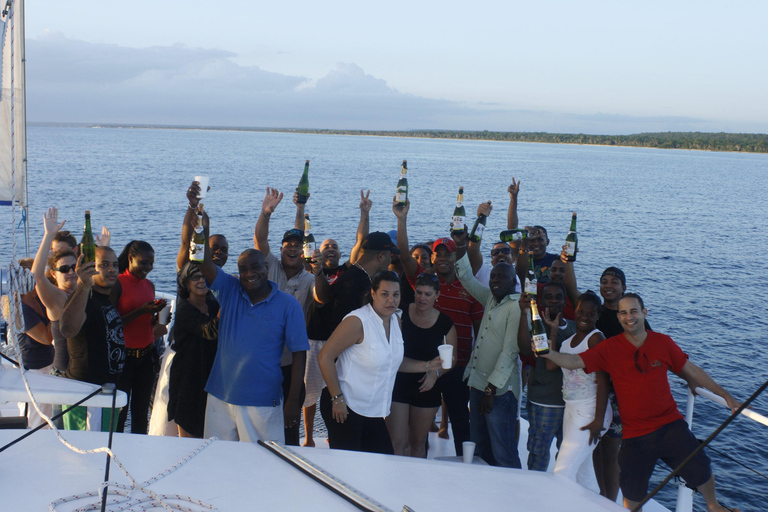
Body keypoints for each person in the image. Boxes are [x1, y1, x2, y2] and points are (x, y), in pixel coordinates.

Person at [541, 293, 741, 512]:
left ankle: (714, 506)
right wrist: (548, 353)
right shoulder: (609, 347)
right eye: (624, 312)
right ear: (618, 317)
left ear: (644, 313)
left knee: (700, 466)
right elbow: (575, 361)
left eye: (634, 311)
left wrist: (726, 395)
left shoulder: (662, 342)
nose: (630, 317)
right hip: (635, 434)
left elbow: (691, 369)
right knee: (631, 490)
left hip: (669, 424)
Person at [196, 212, 308, 444]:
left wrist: (293, 401)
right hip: (220, 397)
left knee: (263, 467)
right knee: (217, 462)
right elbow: (203, 263)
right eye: (243, 269)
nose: (249, 274)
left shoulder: (288, 304)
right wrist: (203, 230)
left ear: (266, 267)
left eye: (255, 267)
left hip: (263, 402)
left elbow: (299, 354)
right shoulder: (230, 289)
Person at [393, 198, 483, 457]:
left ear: (456, 257)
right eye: (438, 253)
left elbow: (479, 331)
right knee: (417, 431)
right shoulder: (423, 284)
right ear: (431, 257)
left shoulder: (470, 288)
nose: (442, 258)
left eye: (448, 253)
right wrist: (402, 219)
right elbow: (402, 252)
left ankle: (463, 468)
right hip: (421, 367)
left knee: (459, 420)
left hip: (456, 367)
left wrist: (472, 367)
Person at [317, 271, 442, 454]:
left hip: (374, 411)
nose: (391, 300)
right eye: (385, 294)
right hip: (345, 407)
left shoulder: (396, 320)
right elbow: (325, 357)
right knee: (348, 470)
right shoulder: (358, 321)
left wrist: (428, 366)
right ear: (373, 294)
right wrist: (337, 399)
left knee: (382, 462)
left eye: (396, 294)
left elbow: (393, 362)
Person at [301, 189, 371, 447]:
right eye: (325, 246)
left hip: (341, 341)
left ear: (341, 254)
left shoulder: (349, 271)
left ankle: (334, 433)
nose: (330, 249)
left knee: (337, 389)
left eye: (334, 247)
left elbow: (361, 242)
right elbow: (300, 238)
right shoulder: (309, 271)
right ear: (317, 253)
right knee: (309, 394)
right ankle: (308, 436)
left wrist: (364, 213)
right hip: (313, 338)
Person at [452, 238, 522, 468]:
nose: (496, 280)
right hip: (478, 384)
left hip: (500, 390)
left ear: (514, 283)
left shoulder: (516, 306)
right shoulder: (491, 298)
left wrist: (491, 390)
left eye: (502, 277)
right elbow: (466, 278)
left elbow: (510, 351)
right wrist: (461, 247)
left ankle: (513, 497)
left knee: (503, 451)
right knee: (480, 446)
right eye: (493, 276)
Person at [254, 187, 316, 445]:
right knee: (259, 420)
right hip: (264, 358)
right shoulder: (271, 267)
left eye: (297, 246)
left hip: (293, 361)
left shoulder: (312, 279)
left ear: (304, 251)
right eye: (287, 245)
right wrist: (266, 213)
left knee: (289, 424)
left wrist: (300, 210)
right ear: (281, 249)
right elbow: (260, 241)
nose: (292, 249)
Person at [387, 273, 457, 457]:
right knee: (397, 443)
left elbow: (452, 360)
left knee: (418, 443)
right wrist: (428, 366)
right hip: (398, 384)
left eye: (427, 294)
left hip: (428, 387)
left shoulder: (445, 324)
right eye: (419, 293)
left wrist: (436, 374)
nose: (422, 298)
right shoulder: (400, 314)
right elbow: (391, 355)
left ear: (437, 296)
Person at [547, 292, 610, 491]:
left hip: (590, 411)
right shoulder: (568, 342)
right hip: (572, 409)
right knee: (584, 473)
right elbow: (550, 365)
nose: (585, 316)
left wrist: (598, 420)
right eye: (581, 312)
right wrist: (554, 331)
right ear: (575, 311)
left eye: (591, 314)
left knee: (562, 472)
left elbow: (603, 381)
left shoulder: (596, 339)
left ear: (597, 316)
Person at [59, 246, 125, 431]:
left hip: (104, 393)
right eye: (103, 265)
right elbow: (67, 329)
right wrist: (84, 284)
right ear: (88, 268)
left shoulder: (104, 298)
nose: (111, 269)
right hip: (86, 396)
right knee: (85, 455)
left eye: (114, 264)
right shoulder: (84, 296)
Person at [517, 281, 576, 471]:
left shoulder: (575, 327)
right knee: (538, 455)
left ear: (565, 301)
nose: (553, 301)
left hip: (570, 405)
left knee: (565, 458)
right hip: (544, 403)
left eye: (558, 297)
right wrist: (524, 313)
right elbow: (527, 350)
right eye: (548, 297)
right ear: (541, 301)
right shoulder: (536, 326)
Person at [114, 240, 167, 434]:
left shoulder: (149, 286)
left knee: (141, 411)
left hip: (146, 357)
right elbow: (113, 324)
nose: (148, 268)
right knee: (120, 411)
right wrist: (140, 311)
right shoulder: (118, 283)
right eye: (144, 263)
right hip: (124, 359)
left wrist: (157, 318)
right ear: (130, 259)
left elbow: (145, 325)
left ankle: (138, 452)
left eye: (151, 263)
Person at [167, 262, 219, 438]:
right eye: (195, 277)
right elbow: (210, 330)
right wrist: (229, 300)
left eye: (205, 276)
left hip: (209, 377)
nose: (201, 281)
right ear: (185, 283)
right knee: (189, 432)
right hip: (187, 380)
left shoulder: (212, 306)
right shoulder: (184, 310)